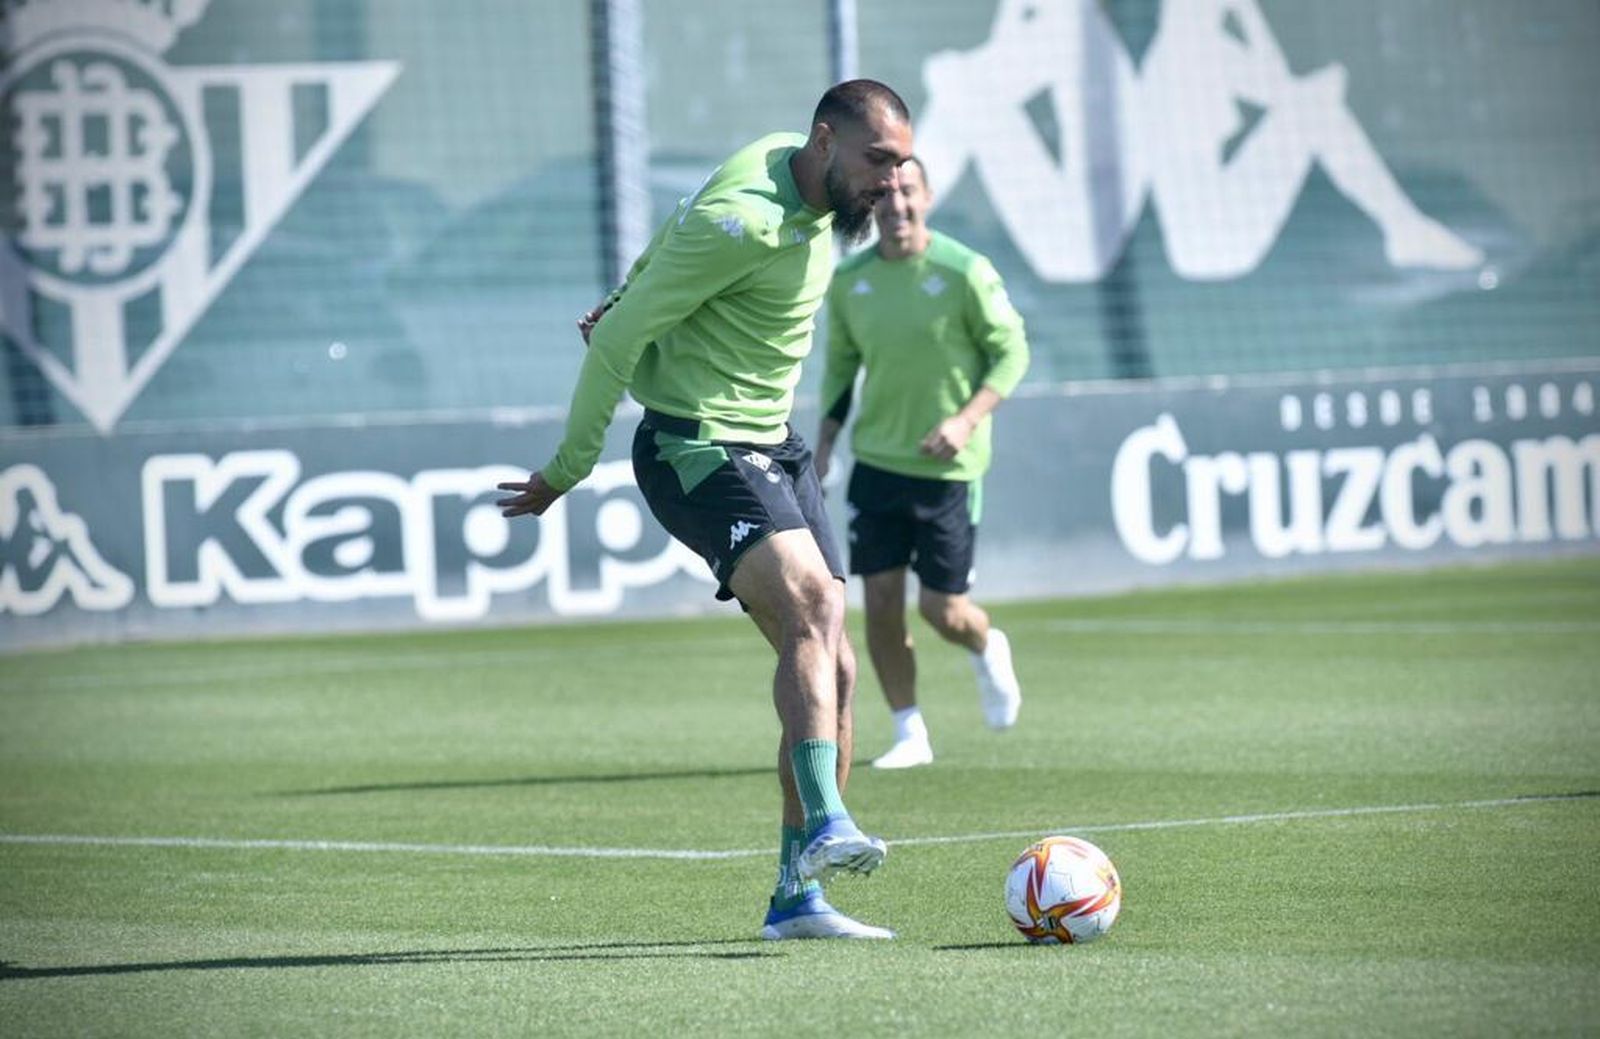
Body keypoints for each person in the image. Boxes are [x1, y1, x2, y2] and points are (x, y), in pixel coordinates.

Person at [497, 80, 914, 940]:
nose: (892, 183)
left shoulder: (782, 165)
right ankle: (830, 821)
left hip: (775, 445)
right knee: (816, 601)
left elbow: (666, 238)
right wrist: (568, 467)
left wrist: (630, 283)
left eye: (902, 166)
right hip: (696, 446)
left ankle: (798, 897)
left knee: (834, 670)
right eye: (878, 162)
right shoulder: (746, 220)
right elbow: (620, 338)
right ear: (827, 141)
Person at [815, 155, 1029, 771]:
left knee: (943, 611)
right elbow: (839, 370)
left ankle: (987, 646)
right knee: (879, 603)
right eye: (883, 195)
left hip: (949, 474)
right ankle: (910, 731)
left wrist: (965, 420)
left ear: (927, 198)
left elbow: (1012, 355)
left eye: (908, 192)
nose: (896, 206)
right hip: (877, 465)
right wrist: (825, 441)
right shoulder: (850, 280)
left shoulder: (966, 272)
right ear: (869, 205)